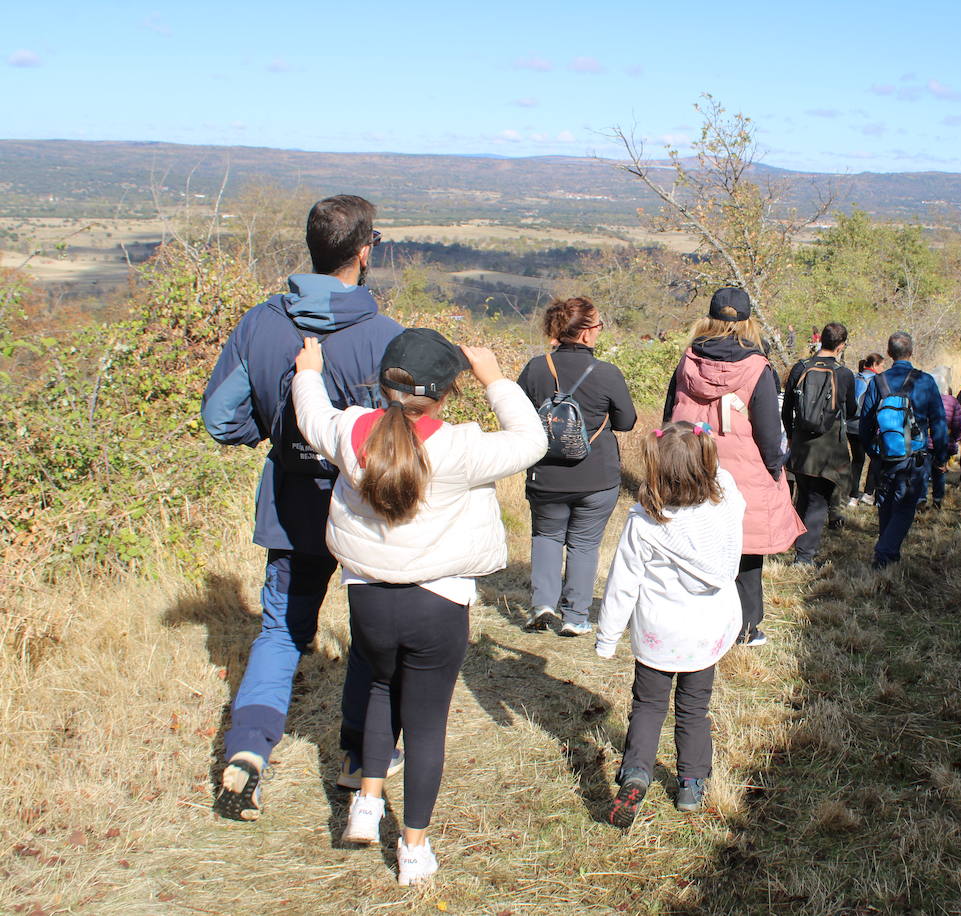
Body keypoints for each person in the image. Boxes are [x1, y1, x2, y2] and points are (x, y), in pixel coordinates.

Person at [292, 328, 546, 885]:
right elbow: (532, 440)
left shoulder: (350, 430)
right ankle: (413, 849)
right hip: (439, 602)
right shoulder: (458, 447)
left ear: (384, 383)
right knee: (426, 726)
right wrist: (497, 379)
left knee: (381, 690)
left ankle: (367, 800)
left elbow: (311, 414)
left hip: (370, 600)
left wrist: (308, 368)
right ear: (446, 394)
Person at [202, 195, 404, 820]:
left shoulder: (261, 325)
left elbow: (219, 418)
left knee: (281, 631)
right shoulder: (386, 338)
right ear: (365, 250)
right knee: (372, 635)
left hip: (290, 502)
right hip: (368, 508)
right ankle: (354, 754)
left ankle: (247, 753)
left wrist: (265, 431)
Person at [596, 422, 744, 826]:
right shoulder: (726, 500)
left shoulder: (645, 522)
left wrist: (607, 637)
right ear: (707, 464)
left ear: (655, 470)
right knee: (694, 708)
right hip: (705, 631)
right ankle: (691, 784)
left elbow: (622, 584)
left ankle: (636, 773)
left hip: (658, 634)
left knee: (647, 706)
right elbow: (725, 478)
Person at [663, 288, 803, 645]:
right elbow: (770, 431)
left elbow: (669, 416)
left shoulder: (688, 360)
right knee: (745, 549)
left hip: (692, 465)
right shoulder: (758, 367)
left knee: (693, 546)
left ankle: (694, 620)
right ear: (747, 321)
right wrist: (775, 469)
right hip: (743, 474)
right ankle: (744, 627)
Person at [516, 298, 637, 636]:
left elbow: (516, 415)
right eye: (597, 326)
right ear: (584, 334)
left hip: (545, 475)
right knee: (584, 545)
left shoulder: (535, 368)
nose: (599, 332)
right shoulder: (607, 373)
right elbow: (626, 422)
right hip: (596, 477)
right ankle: (576, 617)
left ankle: (543, 603)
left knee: (546, 536)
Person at [858, 331, 948, 569]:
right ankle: (884, 553)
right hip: (914, 458)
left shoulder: (879, 381)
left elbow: (866, 423)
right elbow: (939, 421)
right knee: (906, 506)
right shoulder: (926, 381)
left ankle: (888, 557)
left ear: (889, 353)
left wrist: (873, 452)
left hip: (885, 455)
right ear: (912, 352)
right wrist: (941, 455)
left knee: (886, 504)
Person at [781, 322, 858, 566]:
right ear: (841, 345)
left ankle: (798, 547)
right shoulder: (843, 373)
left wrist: (792, 438)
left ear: (821, 340)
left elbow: (786, 410)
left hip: (802, 443)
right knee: (818, 501)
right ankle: (804, 558)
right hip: (829, 448)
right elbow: (852, 409)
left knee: (804, 496)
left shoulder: (800, 367)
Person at [847, 353, 883, 506]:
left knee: (857, 461)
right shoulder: (877, 380)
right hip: (868, 426)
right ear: (874, 365)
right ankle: (868, 493)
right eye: (881, 365)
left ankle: (853, 496)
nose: (883, 369)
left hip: (850, 425)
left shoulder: (854, 377)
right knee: (876, 458)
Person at [927, 384, 961, 509]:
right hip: (944, 442)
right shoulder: (953, 402)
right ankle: (937, 501)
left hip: (925, 442)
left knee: (923, 472)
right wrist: (956, 439)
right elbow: (958, 423)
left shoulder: (926, 399)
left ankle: (920, 499)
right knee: (939, 471)